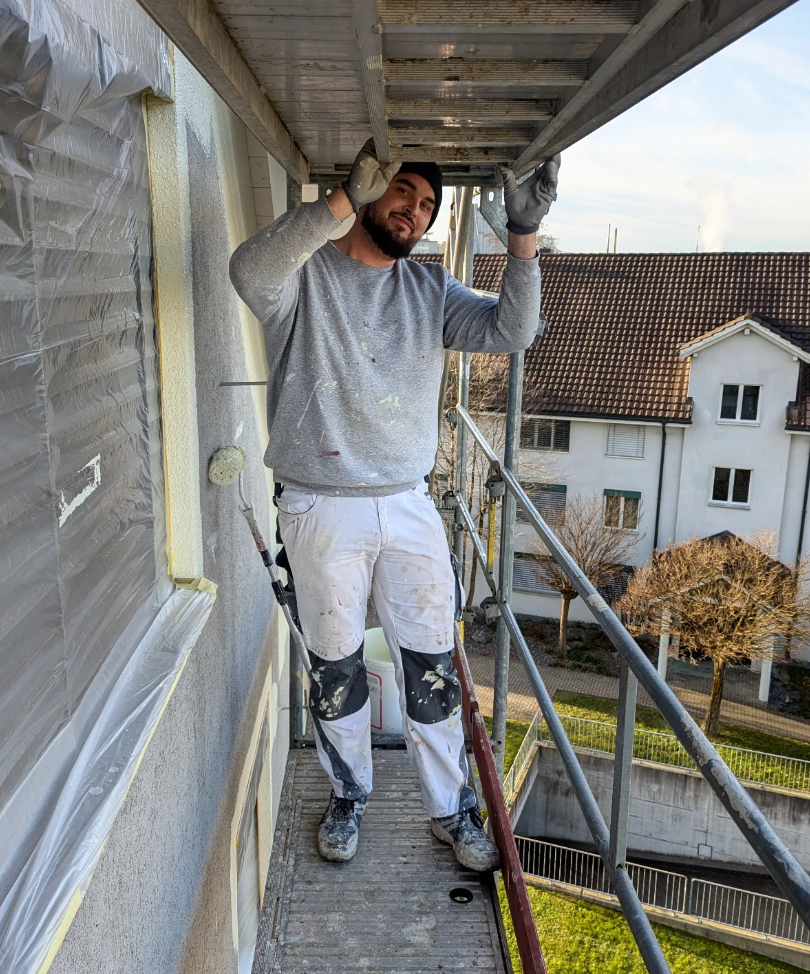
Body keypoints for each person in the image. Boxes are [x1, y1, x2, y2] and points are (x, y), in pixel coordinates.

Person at [229, 141, 559, 871]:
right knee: (336, 665)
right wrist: (338, 201)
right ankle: (349, 794)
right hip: (320, 507)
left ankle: (451, 809)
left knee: (432, 664)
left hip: (408, 505)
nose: (414, 211)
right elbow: (247, 270)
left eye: (427, 206)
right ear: (373, 193)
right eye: (402, 192)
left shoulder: (431, 291)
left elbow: (512, 331)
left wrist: (523, 237)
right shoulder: (304, 277)